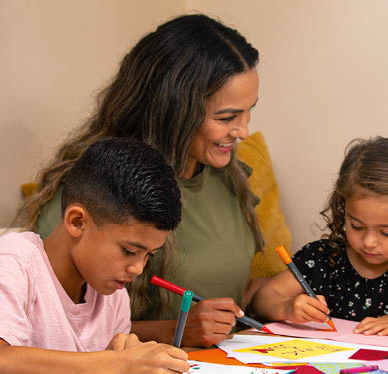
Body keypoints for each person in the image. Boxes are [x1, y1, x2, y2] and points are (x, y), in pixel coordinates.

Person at [19, 14, 265, 347]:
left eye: (248, 111)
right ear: (174, 110)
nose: (243, 131)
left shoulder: (229, 176)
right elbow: (59, 329)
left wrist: (275, 299)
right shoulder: (99, 189)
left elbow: (232, 288)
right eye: (227, 117)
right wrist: (175, 330)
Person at [0, 138, 189, 374]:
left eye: (149, 256)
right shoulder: (14, 259)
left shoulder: (113, 291)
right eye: (129, 251)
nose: (138, 269)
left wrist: (120, 354)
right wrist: (117, 363)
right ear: (77, 221)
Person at [250, 137, 388, 335]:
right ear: (343, 209)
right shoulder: (323, 257)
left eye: (387, 232)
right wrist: (287, 307)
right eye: (356, 226)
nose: (369, 242)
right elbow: (264, 297)